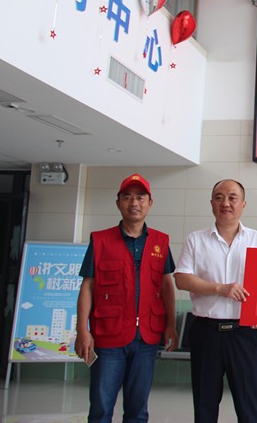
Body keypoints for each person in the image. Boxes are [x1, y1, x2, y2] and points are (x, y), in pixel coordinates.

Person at [75, 173, 178, 423]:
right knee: (101, 409)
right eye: (127, 197)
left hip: (146, 339)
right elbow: (88, 286)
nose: (134, 203)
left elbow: (166, 285)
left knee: (138, 410)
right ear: (118, 203)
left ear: (149, 203)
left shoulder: (161, 241)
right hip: (108, 337)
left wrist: (171, 325)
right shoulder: (100, 240)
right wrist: (82, 330)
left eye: (140, 197)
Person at [174, 179, 257, 423]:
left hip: (244, 333)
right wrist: (219, 289)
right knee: (204, 405)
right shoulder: (196, 240)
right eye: (219, 197)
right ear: (211, 203)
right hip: (206, 332)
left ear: (243, 204)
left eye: (232, 198)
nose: (225, 203)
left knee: (249, 406)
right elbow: (182, 279)